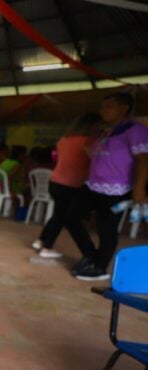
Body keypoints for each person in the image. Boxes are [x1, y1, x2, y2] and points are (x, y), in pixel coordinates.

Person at [69, 92, 148, 280]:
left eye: (108, 106)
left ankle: (100, 267)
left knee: (106, 228)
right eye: (103, 106)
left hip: (116, 189)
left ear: (124, 108)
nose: (103, 111)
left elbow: (143, 160)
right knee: (70, 216)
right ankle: (90, 255)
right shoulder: (107, 131)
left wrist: (139, 188)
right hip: (93, 185)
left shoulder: (134, 130)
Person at [32, 113, 102, 259]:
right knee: (62, 217)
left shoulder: (63, 140)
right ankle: (47, 247)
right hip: (71, 184)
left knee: (58, 214)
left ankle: (41, 241)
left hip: (56, 181)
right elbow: (97, 162)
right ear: (92, 126)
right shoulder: (89, 141)